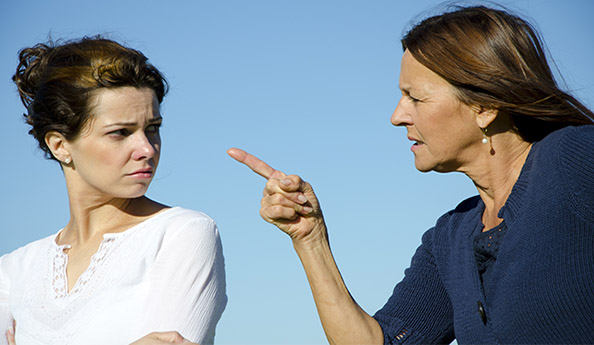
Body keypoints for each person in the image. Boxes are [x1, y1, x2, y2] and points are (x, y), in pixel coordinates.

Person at [228, 5, 594, 344]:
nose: (397, 115)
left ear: (484, 107)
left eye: (415, 98)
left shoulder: (572, 159)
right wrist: (310, 239)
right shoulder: (451, 237)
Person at [1, 36, 227, 345]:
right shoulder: (13, 271)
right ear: (60, 145)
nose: (147, 149)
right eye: (120, 132)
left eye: (153, 128)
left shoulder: (182, 234)